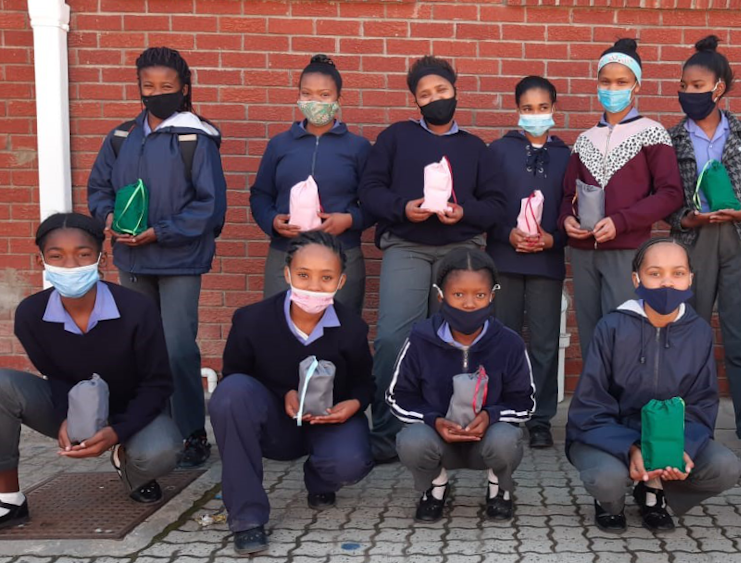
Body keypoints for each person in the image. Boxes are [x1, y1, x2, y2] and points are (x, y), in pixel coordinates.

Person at [359, 56, 506, 463]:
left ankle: (465, 423)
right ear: (415, 101)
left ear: (455, 91)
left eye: (441, 91)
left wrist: (466, 212)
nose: (434, 99)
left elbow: (496, 205)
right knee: (393, 337)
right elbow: (369, 190)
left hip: (462, 251)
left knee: (462, 338)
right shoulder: (395, 138)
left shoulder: (475, 148)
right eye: (425, 94)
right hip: (407, 244)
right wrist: (403, 207)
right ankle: (388, 432)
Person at [87, 47, 227, 468]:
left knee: (179, 348)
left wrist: (161, 232)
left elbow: (210, 206)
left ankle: (191, 433)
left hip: (180, 259)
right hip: (132, 260)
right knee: (142, 349)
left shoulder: (194, 138)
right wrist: (108, 217)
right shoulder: (121, 137)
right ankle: (152, 427)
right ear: (138, 88)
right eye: (149, 86)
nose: (157, 93)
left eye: (167, 86)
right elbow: (98, 189)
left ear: (184, 88)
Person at [0, 213, 182, 530]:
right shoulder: (31, 315)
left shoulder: (136, 309)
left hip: (132, 408)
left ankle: (126, 462)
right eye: (57, 256)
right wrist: (63, 417)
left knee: (161, 452)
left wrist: (117, 431)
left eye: (83, 254)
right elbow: (54, 375)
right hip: (74, 404)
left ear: (101, 257)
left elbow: (158, 383)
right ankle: (8, 498)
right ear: (41, 259)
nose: (70, 265)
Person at [209, 231, 374, 555]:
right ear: (286, 274)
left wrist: (352, 404)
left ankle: (320, 479)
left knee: (350, 461)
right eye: (303, 275)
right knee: (230, 395)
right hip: (276, 425)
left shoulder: (351, 328)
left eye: (326, 277)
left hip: (328, 423)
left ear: (341, 282)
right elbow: (235, 378)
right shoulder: (251, 320)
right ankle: (247, 518)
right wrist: (283, 392)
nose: (313, 286)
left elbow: (364, 382)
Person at [566, 238, 741, 533]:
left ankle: (654, 492)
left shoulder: (698, 331)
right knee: (606, 479)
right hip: (611, 435)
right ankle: (609, 502)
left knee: (726, 468)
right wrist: (631, 448)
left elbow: (702, 403)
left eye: (678, 273)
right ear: (637, 279)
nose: (667, 284)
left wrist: (680, 449)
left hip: (669, 436)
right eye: (655, 273)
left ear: (690, 279)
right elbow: (590, 406)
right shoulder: (612, 327)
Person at [667, 36, 741, 478]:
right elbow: (667, 194)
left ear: (720, 88)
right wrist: (685, 218)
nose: (688, 91)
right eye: (683, 84)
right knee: (686, 338)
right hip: (693, 244)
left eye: (698, 84)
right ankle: (689, 429)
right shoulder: (672, 138)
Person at [558, 38, 685, 360]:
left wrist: (621, 222)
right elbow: (567, 196)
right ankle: (596, 406)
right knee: (591, 336)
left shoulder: (652, 133)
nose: (612, 89)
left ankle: (627, 407)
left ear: (636, 86)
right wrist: (566, 221)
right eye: (605, 81)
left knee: (626, 335)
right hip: (585, 253)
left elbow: (670, 194)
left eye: (621, 82)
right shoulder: (584, 140)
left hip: (626, 251)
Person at [387, 248, 534, 523]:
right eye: (458, 294)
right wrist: (434, 420)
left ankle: (498, 488)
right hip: (438, 438)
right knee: (411, 441)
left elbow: (525, 402)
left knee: (506, 439)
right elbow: (398, 396)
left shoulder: (509, 343)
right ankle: (435, 486)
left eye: (479, 295)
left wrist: (492, 416)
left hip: (487, 439)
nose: (469, 303)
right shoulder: (420, 339)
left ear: (492, 295)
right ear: (440, 295)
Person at [486, 76, 571, 450]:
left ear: (554, 109)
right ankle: (501, 409)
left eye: (542, 108)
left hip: (547, 262)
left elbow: (574, 207)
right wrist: (507, 234)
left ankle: (539, 417)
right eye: (527, 108)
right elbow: (485, 204)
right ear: (516, 110)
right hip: (504, 259)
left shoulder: (567, 157)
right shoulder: (498, 152)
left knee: (544, 343)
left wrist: (555, 238)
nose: (535, 115)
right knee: (501, 338)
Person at [250, 54, 372, 312]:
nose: (314, 102)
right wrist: (272, 221)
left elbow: (374, 202)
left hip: (342, 252)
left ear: (339, 99)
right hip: (285, 252)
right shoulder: (280, 145)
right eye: (307, 94)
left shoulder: (357, 147)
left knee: (339, 330)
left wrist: (349, 220)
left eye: (324, 95)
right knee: (278, 325)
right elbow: (260, 194)